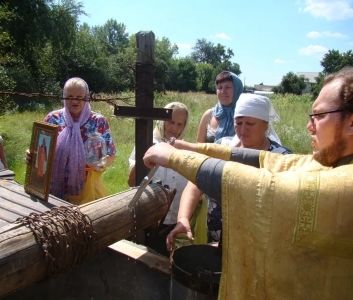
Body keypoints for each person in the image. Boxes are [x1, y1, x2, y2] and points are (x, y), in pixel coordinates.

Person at [142, 66, 353, 299]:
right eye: (238, 123)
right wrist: (192, 148)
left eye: (320, 116)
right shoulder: (336, 163)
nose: (309, 126)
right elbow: (265, 160)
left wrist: (174, 157)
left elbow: (261, 185)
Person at [201, 93, 292, 243]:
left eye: (250, 124)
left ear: (266, 125)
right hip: (215, 241)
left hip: (256, 244)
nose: (243, 130)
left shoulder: (281, 158)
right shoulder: (222, 146)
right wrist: (183, 218)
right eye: (238, 123)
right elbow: (197, 179)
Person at [26, 77, 116, 204]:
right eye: (69, 97)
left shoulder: (98, 121)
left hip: (87, 190)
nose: (74, 101)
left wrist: (101, 164)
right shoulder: (53, 118)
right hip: (52, 191)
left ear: (87, 98)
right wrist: (32, 155)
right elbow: (40, 149)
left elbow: (111, 154)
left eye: (79, 97)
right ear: (63, 97)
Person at [127, 102, 189, 255]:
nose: (174, 128)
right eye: (171, 122)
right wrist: (147, 156)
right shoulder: (148, 144)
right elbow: (131, 181)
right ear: (161, 121)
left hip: (173, 222)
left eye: (180, 124)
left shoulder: (186, 150)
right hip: (146, 219)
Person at [190, 71, 244, 244]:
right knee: (208, 225)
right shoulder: (209, 115)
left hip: (237, 179)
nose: (223, 91)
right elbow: (199, 149)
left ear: (237, 89)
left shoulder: (245, 115)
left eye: (229, 87)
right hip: (209, 178)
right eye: (219, 87)